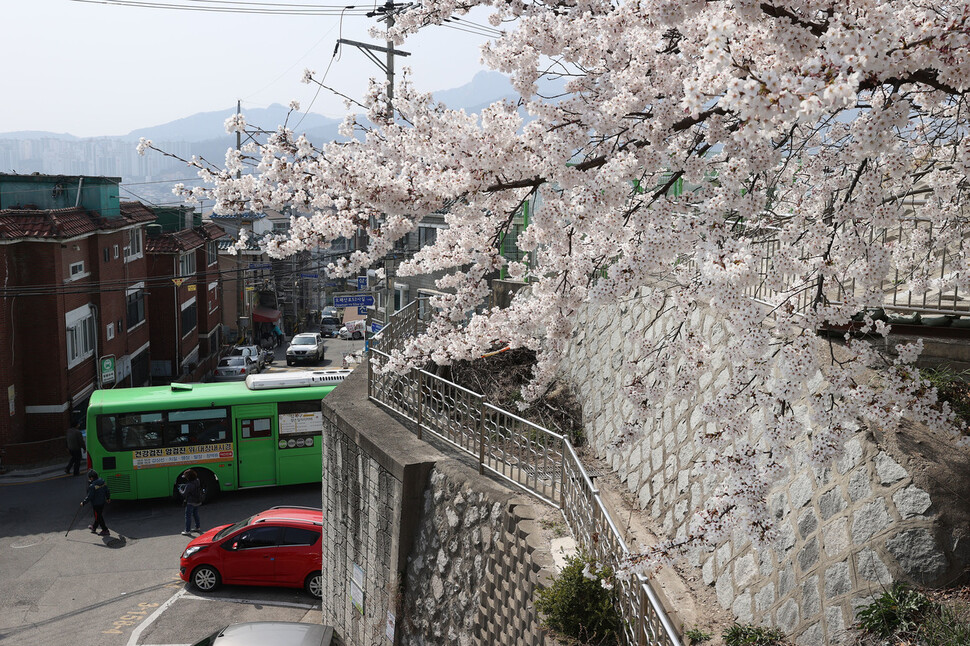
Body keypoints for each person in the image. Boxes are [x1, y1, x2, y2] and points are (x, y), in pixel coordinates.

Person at [80, 469, 110, 536]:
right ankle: (94, 527)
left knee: (99, 517)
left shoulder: (92, 486)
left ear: (91, 478)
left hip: (96, 504)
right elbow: (107, 490)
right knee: (98, 515)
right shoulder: (102, 481)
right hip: (102, 502)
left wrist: (83, 502)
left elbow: (89, 496)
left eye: (89, 478)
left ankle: (105, 530)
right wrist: (108, 498)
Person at [181, 469, 202, 536]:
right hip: (198, 501)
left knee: (188, 516)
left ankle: (187, 530)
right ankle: (197, 527)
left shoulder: (189, 485)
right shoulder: (197, 481)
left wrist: (180, 490)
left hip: (190, 502)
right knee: (195, 514)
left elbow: (184, 494)